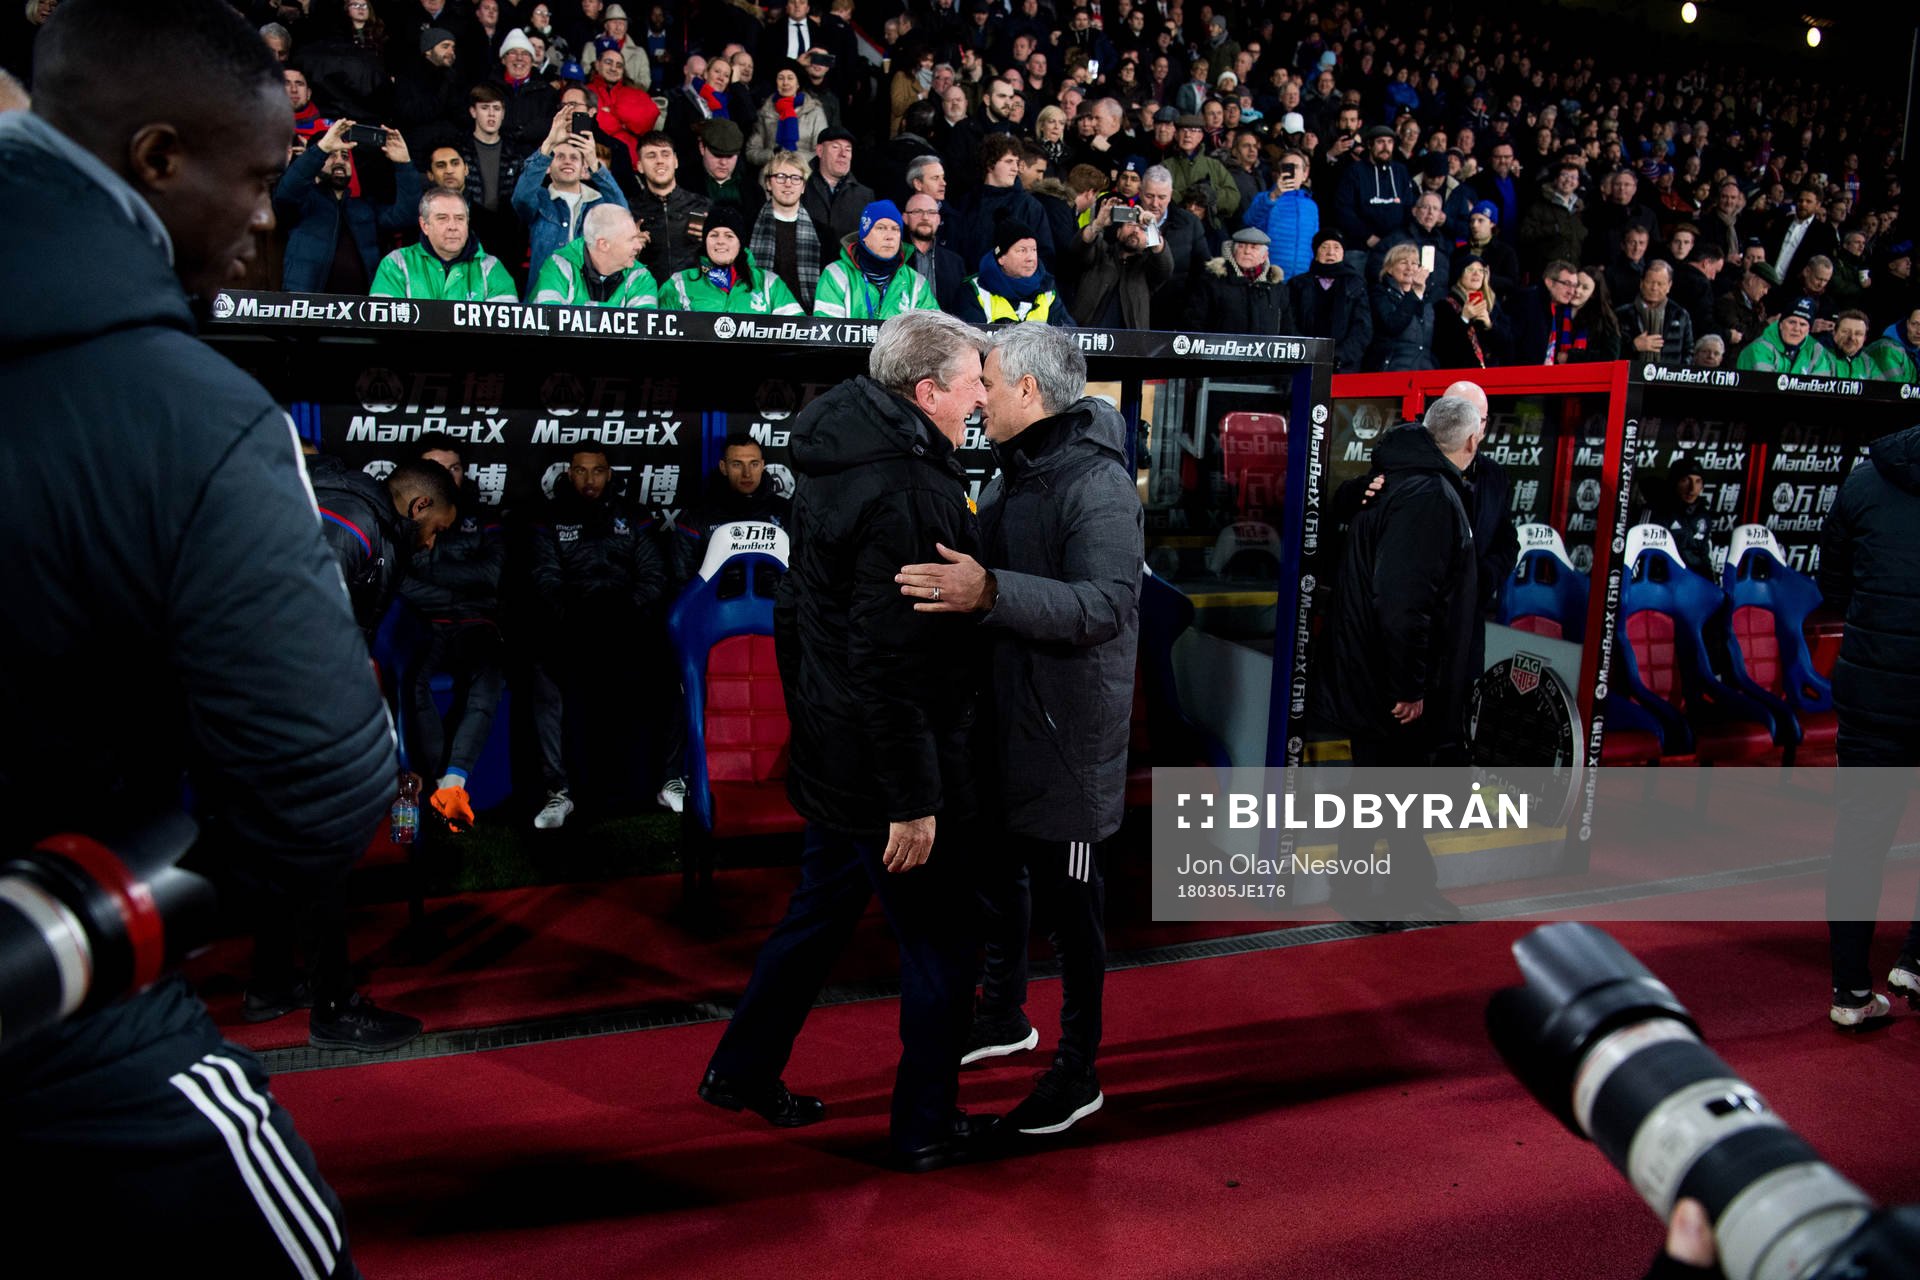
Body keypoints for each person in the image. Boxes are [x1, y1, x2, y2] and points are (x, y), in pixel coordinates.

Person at [0, 0, 396, 1267]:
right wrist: (56, 937)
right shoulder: (196, 414)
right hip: (74, 1049)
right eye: (261, 176)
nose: (269, 217)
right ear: (160, 156)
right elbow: (322, 785)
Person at [700, 311, 997, 1173]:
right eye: (973, 377)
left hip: (836, 748)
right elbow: (895, 658)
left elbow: (806, 619)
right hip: (886, 767)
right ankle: (926, 1127)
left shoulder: (839, 448)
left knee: (818, 915)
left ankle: (740, 1069)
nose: (983, 391)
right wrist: (912, 799)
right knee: (943, 946)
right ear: (927, 390)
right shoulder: (911, 489)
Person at [894, 323, 1141, 1136]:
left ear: (1029, 392)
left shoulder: (1096, 486)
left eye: (990, 382)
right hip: (1004, 726)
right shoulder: (1015, 473)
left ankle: (1079, 1068)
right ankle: (1003, 1016)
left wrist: (990, 590)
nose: (978, 395)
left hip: (1068, 742)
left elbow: (1104, 606)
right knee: (1000, 885)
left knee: (1075, 911)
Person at [1315, 396, 1484, 926]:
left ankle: (1413, 884)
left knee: (1397, 786)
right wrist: (1409, 686)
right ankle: (1356, 890)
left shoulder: (1399, 480)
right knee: (1380, 788)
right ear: (1473, 441)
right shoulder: (1427, 494)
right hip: (1388, 678)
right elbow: (1403, 602)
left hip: (1378, 668)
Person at [1818, 420, 1920, 1029]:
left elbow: (1833, 585)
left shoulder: (1863, 480)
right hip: (1883, 687)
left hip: (1872, 687)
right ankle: (1915, 957)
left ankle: (1851, 994)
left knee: (1859, 840)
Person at [527, 445, 666, 830]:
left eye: (598, 471)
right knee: (548, 681)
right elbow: (545, 577)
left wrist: (626, 611)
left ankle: (652, 785)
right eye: (581, 471)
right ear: (569, 474)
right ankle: (560, 791)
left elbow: (654, 575)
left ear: (609, 474)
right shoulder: (548, 518)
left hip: (627, 625)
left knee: (661, 673)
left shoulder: (634, 516)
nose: (590, 480)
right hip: (572, 628)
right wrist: (578, 615)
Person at [399, 432, 506, 835]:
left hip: (475, 625)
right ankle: (433, 781)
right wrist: (460, 588)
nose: (447, 475)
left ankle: (452, 783)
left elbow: (491, 575)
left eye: (455, 468)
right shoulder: (405, 518)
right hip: (422, 624)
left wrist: (429, 573)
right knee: (413, 680)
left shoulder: (487, 517)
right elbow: (399, 582)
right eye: (437, 467)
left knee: (489, 675)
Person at [275, 116, 421, 293]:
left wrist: (404, 164)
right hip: (309, 311)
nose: (339, 161)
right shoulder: (303, 202)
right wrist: (321, 149)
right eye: (331, 155)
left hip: (361, 313)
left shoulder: (365, 208)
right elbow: (285, 195)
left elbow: (408, 215)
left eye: (344, 156)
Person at [513, 105, 628, 292]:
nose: (567, 161)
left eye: (574, 157)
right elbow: (521, 198)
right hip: (544, 296)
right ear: (548, 167)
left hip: (587, 300)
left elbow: (622, 214)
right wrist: (549, 144)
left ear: (584, 169)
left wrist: (594, 162)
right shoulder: (540, 199)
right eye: (560, 157)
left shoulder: (598, 204)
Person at [369, 187, 519, 299]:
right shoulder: (396, 264)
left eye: (460, 218)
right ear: (424, 225)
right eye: (442, 218)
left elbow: (503, 336)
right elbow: (385, 329)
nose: (453, 226)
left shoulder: (491, 268)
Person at [659, 200, 804, 313]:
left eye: (729, 236)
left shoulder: (769, 283)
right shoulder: (679, 284)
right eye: (713, 235)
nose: (720, 241)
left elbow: (794, 332)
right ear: (705, 241)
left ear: (740, 243)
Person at [812, 198, 938, 318]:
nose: (890, 236)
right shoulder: (836, 275)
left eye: (895, 229)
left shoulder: (916, 282)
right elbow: (827, 334)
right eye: (881, 228)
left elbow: (931, 334)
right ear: (864, 236)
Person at [1069, 188, 1171, 330]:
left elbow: (1165, 267)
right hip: (1087, 338)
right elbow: (1078, 250)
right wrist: (1097, 224)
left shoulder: (1147, 269)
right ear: (1118, 232)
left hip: (1129, 346)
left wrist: (1152, 226)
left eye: (1142, 229)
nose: (1136, 230)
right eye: (1130, 225)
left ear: (1148, 238)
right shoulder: (1100, 253)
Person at [530, 201, 658, 305]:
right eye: (631, 239)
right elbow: (549, 326)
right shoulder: (557, 267)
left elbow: (641, 333)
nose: (638, 246)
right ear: (603, 244)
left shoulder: (641, 277)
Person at [749, 148, 827, 311]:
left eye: (795, 178)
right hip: (760, 314)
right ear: (768, 183)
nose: (788, 183)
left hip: (807, 318)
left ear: (803, 186)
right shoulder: (748, 227)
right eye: (780, 176)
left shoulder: (824, 234)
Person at [957, 216, 1072, 325]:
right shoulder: (974, 291)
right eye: (1022, 251)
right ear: (1001, 258)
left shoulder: (1047, 288)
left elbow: (1069, 333)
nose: (1031, 258)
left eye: (1034, 250)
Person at [1288, 228, 1371, 373]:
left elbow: (1362, 328)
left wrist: (1339, 356)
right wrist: (1307, 352)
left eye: (1336, 247)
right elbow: (1289, 322)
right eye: (1324, 247)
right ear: (1315, 253)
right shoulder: (1298, 284)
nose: (1331, 252)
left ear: (1343, 253)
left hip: (1343, 366)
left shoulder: (1356, 284)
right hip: (1303, 361)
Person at [629, 130, 706, 280]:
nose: (660, 161)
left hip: (692, 296)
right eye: (651, 155)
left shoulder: (701, 206)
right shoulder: (630, 210)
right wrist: (631, 248)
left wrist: (710, 238)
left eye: (665, 154)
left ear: (675, 161)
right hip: (647, 294)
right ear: (639, 166)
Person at [1189, 225, 1291, 335]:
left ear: (1264, 256)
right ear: (1233, 251)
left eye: (1254, 248)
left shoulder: (1277, 287)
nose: (1247, 251)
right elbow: (1194, 321)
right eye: (1241, 246)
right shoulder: (1213, 281)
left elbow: (1288, 328)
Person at [1366, 241, 1436, 371]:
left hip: (1423, 371)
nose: (1410, 268)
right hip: (1393, 370)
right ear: (1390, 269)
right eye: (1403, 262)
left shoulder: (1426, 299)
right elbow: (1392, 325)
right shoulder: (1379, 294)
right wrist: (1414, 294)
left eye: (1414, 263)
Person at [1433, 256, 1511, 368]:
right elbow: (1445, 347)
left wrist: (1489, 326)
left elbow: (1507, 347)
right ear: (1460, 274)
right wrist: (1464, 318)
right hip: (1460, 376)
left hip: (1490, 374)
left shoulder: (1492, 305)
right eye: (1470, 270)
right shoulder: (1444, 306)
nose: (1476, 274)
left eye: (1480, 271)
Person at [747, 59, 827, 166]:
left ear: (798, 83)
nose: (785, 83)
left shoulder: (814, 112)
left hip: (805, 175)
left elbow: (822, 152)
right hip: (771, 173)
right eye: (781, 78)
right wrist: (774, 154)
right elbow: (751, 152)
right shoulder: (765, 112)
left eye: (790, 78)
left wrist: (792, 157)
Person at [1616, 260, 1694, 371]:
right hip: (1630, 378)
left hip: (1668, 381)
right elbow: (1610, 351)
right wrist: (1634, 346)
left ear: (1669, 286)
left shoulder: (1680, 315)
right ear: (1641, 283)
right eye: (1650, 282)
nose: (1654, 288)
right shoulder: (1622, 314)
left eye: (1660, 284)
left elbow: (1688, 352)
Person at [1735, 295, 1827, 374]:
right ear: (1780, 325)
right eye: (1792, 322)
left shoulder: (1816, 351)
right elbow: (1765, 388)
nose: (1796, 328)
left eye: (1803, 324)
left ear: (1808, 330)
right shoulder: (1759, 349)